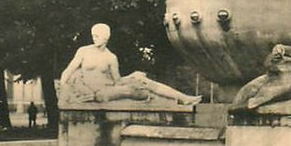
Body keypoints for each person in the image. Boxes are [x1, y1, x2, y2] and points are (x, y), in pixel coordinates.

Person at [59, 23, 202, 105]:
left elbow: (117, 81)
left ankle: (183, 98)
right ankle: (179, 98)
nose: (94, 38)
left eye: (97, 36)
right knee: (137, 87)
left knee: (142, 80)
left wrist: (132, 76)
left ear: (106, 37)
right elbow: (68, 70)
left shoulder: (110, 57)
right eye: (93, 36)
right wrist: (62, 87)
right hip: (97, 94)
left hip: (110, 89)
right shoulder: (84, 51)